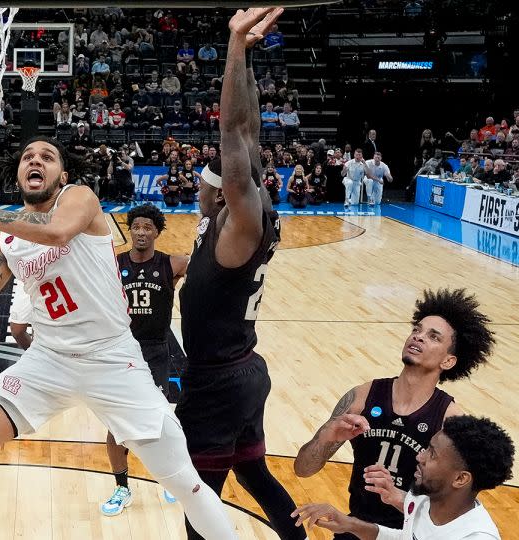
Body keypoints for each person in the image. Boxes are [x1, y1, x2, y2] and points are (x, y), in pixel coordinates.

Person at [0, 136, 239, 540]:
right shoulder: (6, 239)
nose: (36, 160)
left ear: (61, 174)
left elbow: (59, 232)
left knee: (185, 483)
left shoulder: (79, 198)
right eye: (28, 156)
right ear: (19, 174)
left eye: (47, 157)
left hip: (113, 359)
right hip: (48, 360)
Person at [178, 8, 303, 540]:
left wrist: (232, 41)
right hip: (243, 370)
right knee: (253, 470)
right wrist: (248, 54)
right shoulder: (239, 213)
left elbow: (233, 128)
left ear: (227, 187)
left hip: (219, 380)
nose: (201, 191)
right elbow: (248, 128)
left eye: (212, 182)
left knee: (197, 492)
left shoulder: (241, 222)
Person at [294, 289, 494, 539]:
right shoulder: (362, 397)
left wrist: (399, 496)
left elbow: (450, 504)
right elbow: (303, 470)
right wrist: (324, 438)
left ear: (448, 361)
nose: (418, 337)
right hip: (355, 527)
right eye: (417, 330)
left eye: (433, 337)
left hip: (409, 533)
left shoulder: (449, 421)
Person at [292, 415, 515, 540]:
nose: (420, 456)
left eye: (432, 454)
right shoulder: (423, 501)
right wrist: (348, 524)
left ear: (460, 479)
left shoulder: (474, 537)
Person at [102, 204, 190, 516]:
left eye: (147, 227)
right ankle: (121, 487)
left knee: (158, 420)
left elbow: (212, 272)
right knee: (117, 425)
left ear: (157, 231)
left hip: (155, 350)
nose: (141, 232)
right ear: (130, 229)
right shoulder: (114, 263)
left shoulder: (173, 263)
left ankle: (169, 480)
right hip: (121, 351)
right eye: (136, 227)